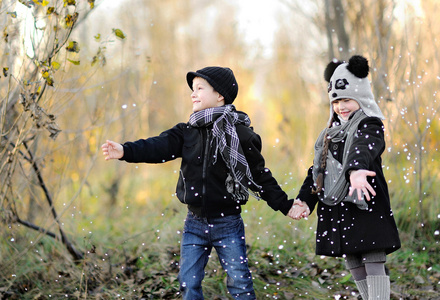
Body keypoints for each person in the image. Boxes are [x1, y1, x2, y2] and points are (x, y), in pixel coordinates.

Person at [102, 66, 303, 299]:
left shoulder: (241, 134)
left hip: (228, 223)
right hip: (194, 224)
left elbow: (259, 176)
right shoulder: (186, 132)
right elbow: (157, 146)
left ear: (220, 96)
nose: (193, 93)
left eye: (200, 88)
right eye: (192, 89)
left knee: (239, 283)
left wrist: (285, 205)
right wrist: (126, 150)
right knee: (188, 283)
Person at [292, 56, 401, 300]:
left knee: (373, 255)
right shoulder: (329, 134)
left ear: (361, 98)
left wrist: (356, 170)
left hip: (366, 202)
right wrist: (305, 201)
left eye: (347, 100)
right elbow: (318, 170)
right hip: (339, 205)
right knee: (352, 258)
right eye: (336, 101)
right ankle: (369, 297)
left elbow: (363, 148)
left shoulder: (370, 124)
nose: (341, 106)